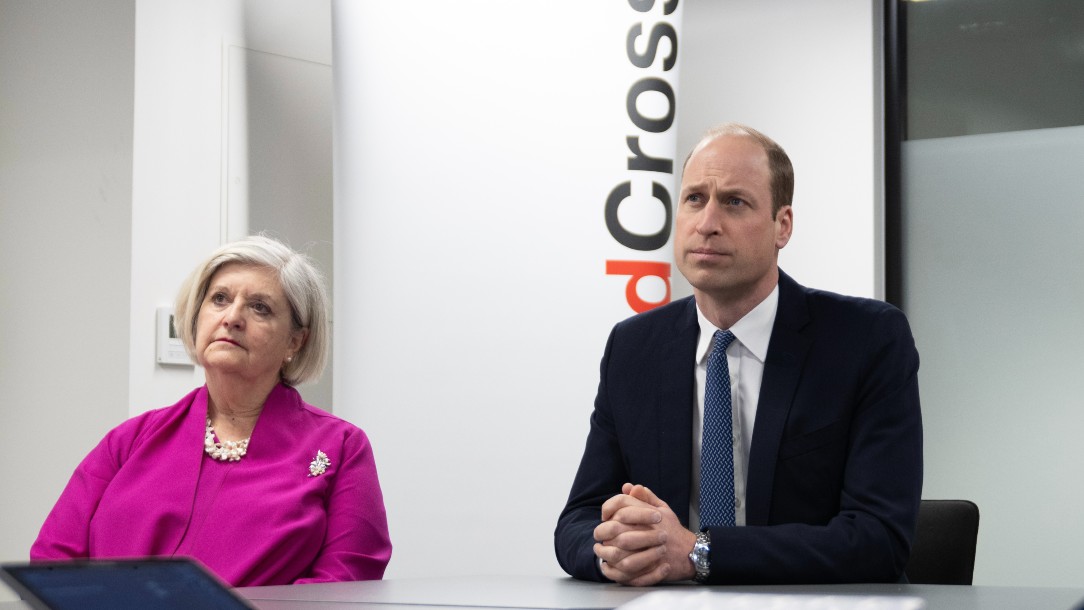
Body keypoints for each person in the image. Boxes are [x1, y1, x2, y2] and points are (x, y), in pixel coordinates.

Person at [555, 123, 922, 586]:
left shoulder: (866, 340)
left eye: (734, 202)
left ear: (782, 226)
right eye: (694, 199)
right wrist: (618, 551)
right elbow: (577, 521)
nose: (707, 223)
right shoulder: (633, 348)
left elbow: (879, 539)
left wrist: (698, 553)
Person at [32, 235, 392, 586]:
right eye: (219, 299)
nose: (233, 317)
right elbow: (54, 560)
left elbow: (345, 581)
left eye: (259, 307)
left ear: (295, 341)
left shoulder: (342, 447)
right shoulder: (129, 440)